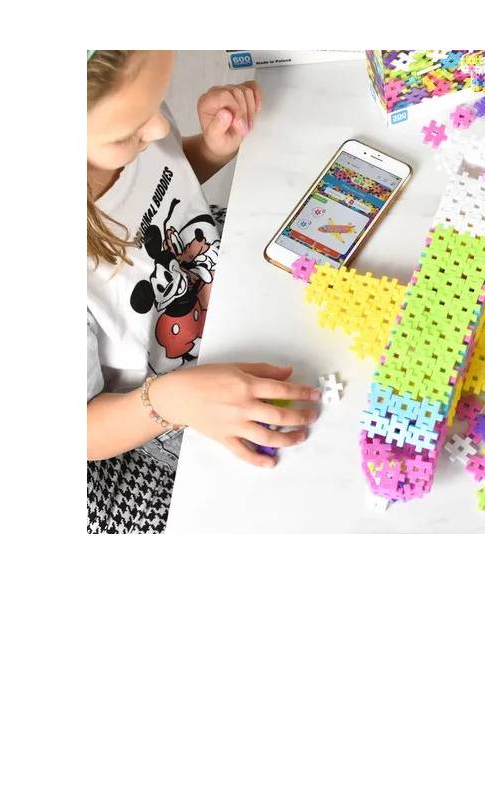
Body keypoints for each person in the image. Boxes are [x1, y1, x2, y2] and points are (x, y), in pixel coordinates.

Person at [86, 50, 319, 533]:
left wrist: (210, 149)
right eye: (128, 133)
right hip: (162, 410)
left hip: (226, 284)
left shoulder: (125, 112)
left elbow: (153, 188)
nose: (158, 129)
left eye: (157, 100)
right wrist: (169, 402)